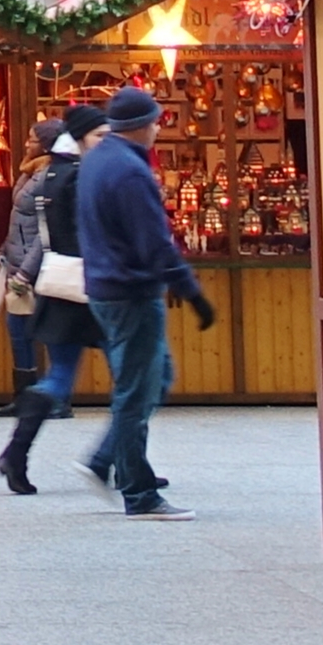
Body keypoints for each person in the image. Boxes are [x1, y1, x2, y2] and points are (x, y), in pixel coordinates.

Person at [74, 84, 208, 516]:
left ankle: (106, 458)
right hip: (131, 292)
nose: (157, 129)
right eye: (154, 122)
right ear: (140, 126)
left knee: (155, 376)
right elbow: (155, 243)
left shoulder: (97, 161)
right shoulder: (131, 173)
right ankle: (138, 491)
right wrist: (190, 291)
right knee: (137, 390)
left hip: (103, 287)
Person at [0, 98, 104, 495]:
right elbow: (55, 234)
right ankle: (124, 462)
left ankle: (16, 452)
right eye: (100, 135)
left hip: (59, 283)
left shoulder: (50, 175)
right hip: (92, 285)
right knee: (132, 376)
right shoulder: (81, 176)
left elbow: (40, 232)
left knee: (58, 376)